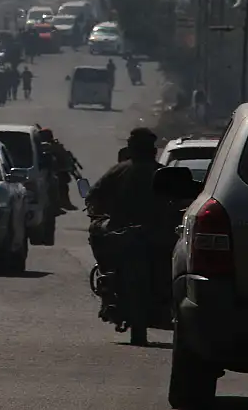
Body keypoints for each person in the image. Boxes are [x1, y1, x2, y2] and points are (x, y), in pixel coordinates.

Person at [84, 128, 169, 343]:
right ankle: (108, 279)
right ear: (153, 150)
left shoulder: (119, 171)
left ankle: (107, 278)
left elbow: (94, 196)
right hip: (144, 233)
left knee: (97, 233)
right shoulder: (161, 173)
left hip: (131, 232)